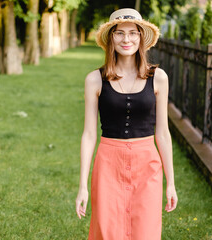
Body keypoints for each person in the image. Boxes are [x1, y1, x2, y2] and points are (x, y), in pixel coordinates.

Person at [75, 8, 178, 240]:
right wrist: (83, 185)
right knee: (107, 230)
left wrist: (170, 183)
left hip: (147, 166)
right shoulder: (94, 80)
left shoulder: (158, 77)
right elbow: (89, 134)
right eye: (120, 33)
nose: (126, 39)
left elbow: (162, 133)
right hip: (108, 164)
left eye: (133, 33)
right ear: (111, 37)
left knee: (146, 231)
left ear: (141, 37)